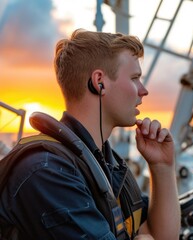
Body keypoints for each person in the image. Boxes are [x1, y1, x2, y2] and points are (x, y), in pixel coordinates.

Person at [0, 29, 180, 239]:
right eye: (134, 78)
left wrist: (163, 167)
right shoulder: (47, 171)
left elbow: (160, 236)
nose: (143, 90)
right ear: (99, 82)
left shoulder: (109, 165)